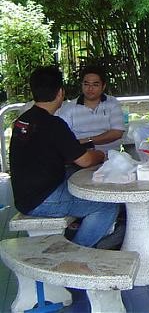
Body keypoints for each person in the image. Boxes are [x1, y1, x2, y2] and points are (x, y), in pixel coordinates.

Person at [9, 66, 120, 247]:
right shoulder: (54, 124)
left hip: (25, 194)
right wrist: (100, 155)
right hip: (42, 200)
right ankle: (78, 249)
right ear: (60, 92)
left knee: (76, 175)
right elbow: (85, 160)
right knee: (108, 204)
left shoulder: (23, 120)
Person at [57, 65, 124, 153]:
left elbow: (117, 133)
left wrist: (87, 141)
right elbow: (62, 136)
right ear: (81, 85)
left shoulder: (112, 103)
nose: (90, 88)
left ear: (103, 86)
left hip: (111, 156)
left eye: (95, 85)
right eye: (86, 84)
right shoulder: (69, 107)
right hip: (82, 156)